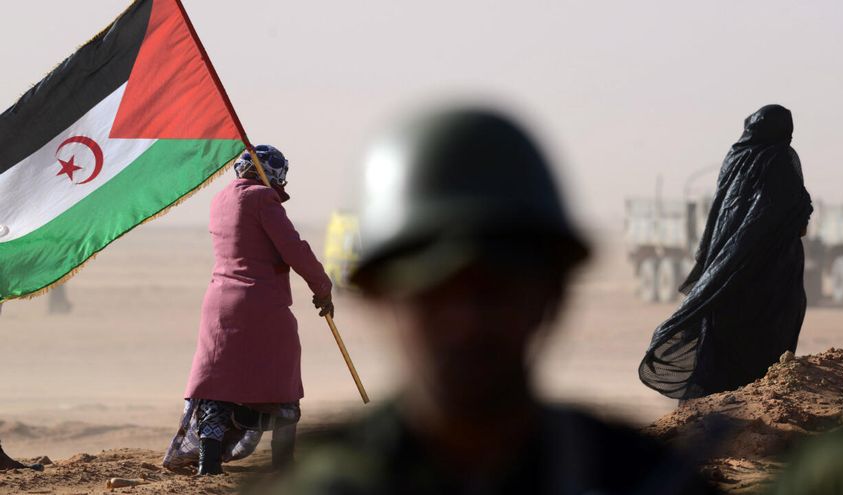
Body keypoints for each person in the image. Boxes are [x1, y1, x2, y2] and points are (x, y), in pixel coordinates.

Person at [265, 108, 716, 494]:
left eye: (494, 291)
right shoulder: (324, 484)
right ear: (378, 299)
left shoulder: (650, 480)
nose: (467, 322)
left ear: (553, 295)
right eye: (435, 294)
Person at [162, 145, 334, 475]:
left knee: (217, 385)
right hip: (262, 303)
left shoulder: (220, 199)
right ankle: (283, 464)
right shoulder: (262, 199)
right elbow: (294, 249)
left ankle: (209, 463)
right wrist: (322, 288)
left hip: (219, 305)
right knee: (282, 380)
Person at [639, 104, 813, 400]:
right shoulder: (782, 158)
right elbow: (796, 219)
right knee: (767, 340)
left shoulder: (734, 157)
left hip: (727, 268)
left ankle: (720, 400)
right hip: (773, 273)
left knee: (726, 338)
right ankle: (754, 400)